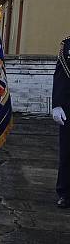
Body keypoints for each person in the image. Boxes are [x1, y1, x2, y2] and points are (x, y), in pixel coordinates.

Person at [52, 34, 70, 208]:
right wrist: (57, 104)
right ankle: (65, 193)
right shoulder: (68, 44)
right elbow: (61, 76)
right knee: (67, 153)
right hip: (69, 107)